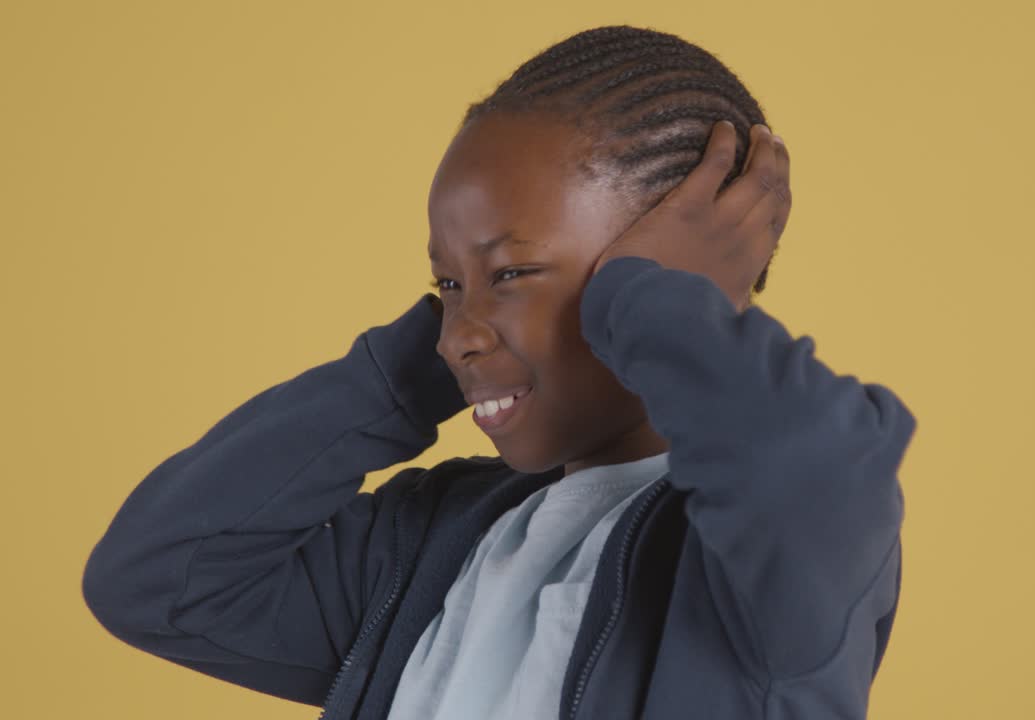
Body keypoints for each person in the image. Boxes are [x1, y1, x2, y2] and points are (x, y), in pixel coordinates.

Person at [82, 24, 916, 720]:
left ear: (680, 280)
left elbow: (818, 464)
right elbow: (156, 583)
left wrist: (654, 301)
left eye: (511, 272)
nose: (456, 334)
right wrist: (409, 375)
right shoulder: (439, 538)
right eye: (446, 284)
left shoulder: (771, 559)